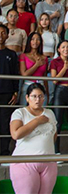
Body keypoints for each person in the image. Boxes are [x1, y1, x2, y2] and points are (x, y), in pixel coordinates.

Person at [9, 83, 57, 194]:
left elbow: (53, 135)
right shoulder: (20, 112)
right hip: (25, 162)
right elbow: (16, 134)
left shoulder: (50, 113)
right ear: (27, 97)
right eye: (34, 96)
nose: (37, 100)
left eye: (40, 96)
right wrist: (37, 121)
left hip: (48, 161)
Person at [0, 24, 18, 155]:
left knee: (5, 122)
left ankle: (4, 151)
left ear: (7, 35)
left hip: (7, 92)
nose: (0, 36)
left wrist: (15, 91)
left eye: (3, 33)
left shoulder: (11, 54)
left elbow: (15, 74)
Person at [19, 32, 48, 105]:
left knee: (41, 111)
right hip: (27, 85)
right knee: (24, 110)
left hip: (41, 85)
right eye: (33, 39)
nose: (35, 41)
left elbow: (45, 77)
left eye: (38, 39)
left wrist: (47, 92)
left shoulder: (44, 58)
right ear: (29, 41)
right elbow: (24, 74)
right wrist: (37, 65)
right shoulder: (23, 56)